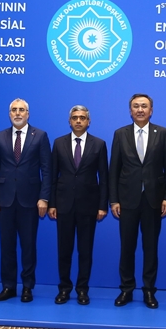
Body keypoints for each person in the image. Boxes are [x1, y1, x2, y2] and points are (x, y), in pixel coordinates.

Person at [109, 93, 166, 309]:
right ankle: (126, 289)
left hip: (153, 201)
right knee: (127, 248)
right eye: (136, 106)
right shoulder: (120, 134)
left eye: (144, 106)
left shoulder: (162, 133)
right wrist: (114, 200)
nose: (140, 110)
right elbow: (113, 170)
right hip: (127, 201)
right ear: (130, 111)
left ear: (151, 110)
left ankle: (149, 290)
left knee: (151, 248)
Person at [0, 98, 51, 303]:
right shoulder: (0, 136)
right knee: (7, 246)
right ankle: (8, 286)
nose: (17, 113)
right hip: (4, 201)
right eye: (14, 110)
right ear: (9, 114)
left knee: (28, 246)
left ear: (28, 114)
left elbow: (47, 170)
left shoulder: (40, 135)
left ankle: (27, 287)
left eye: (21, 110)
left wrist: (44, 198)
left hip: (30, 200)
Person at [48, 105, 108, 305]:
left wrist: (102, 205)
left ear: (88, 121)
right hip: (63, 205)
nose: (79, 121)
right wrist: (52, 203)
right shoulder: (59, 143)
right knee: (64, 250)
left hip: (88, 205)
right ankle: (64, 289)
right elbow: (53, 176)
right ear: (69, 121)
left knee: (85, 251)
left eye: (82, 117)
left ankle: (82, 289)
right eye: (75, 117)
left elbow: (104, 178)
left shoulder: (99, 144)